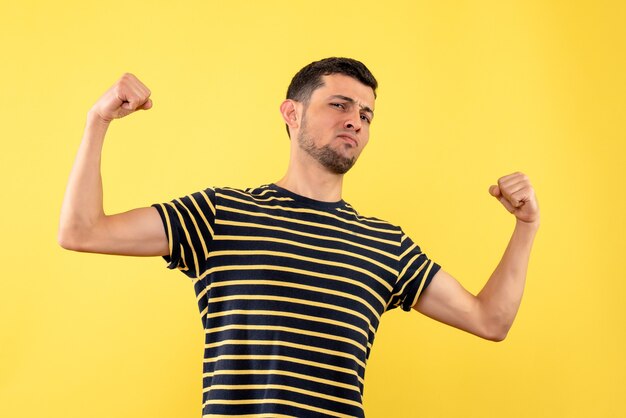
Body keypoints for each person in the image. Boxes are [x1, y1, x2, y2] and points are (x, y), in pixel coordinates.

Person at [58, 57, 540, 417]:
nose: (356, 120)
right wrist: (97, 121)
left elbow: (489, 320)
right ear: (291, 112)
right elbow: (82, 231)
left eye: (367, 115)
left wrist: (526, 226)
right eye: (340, 105)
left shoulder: (384, 245)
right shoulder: (221, 214)